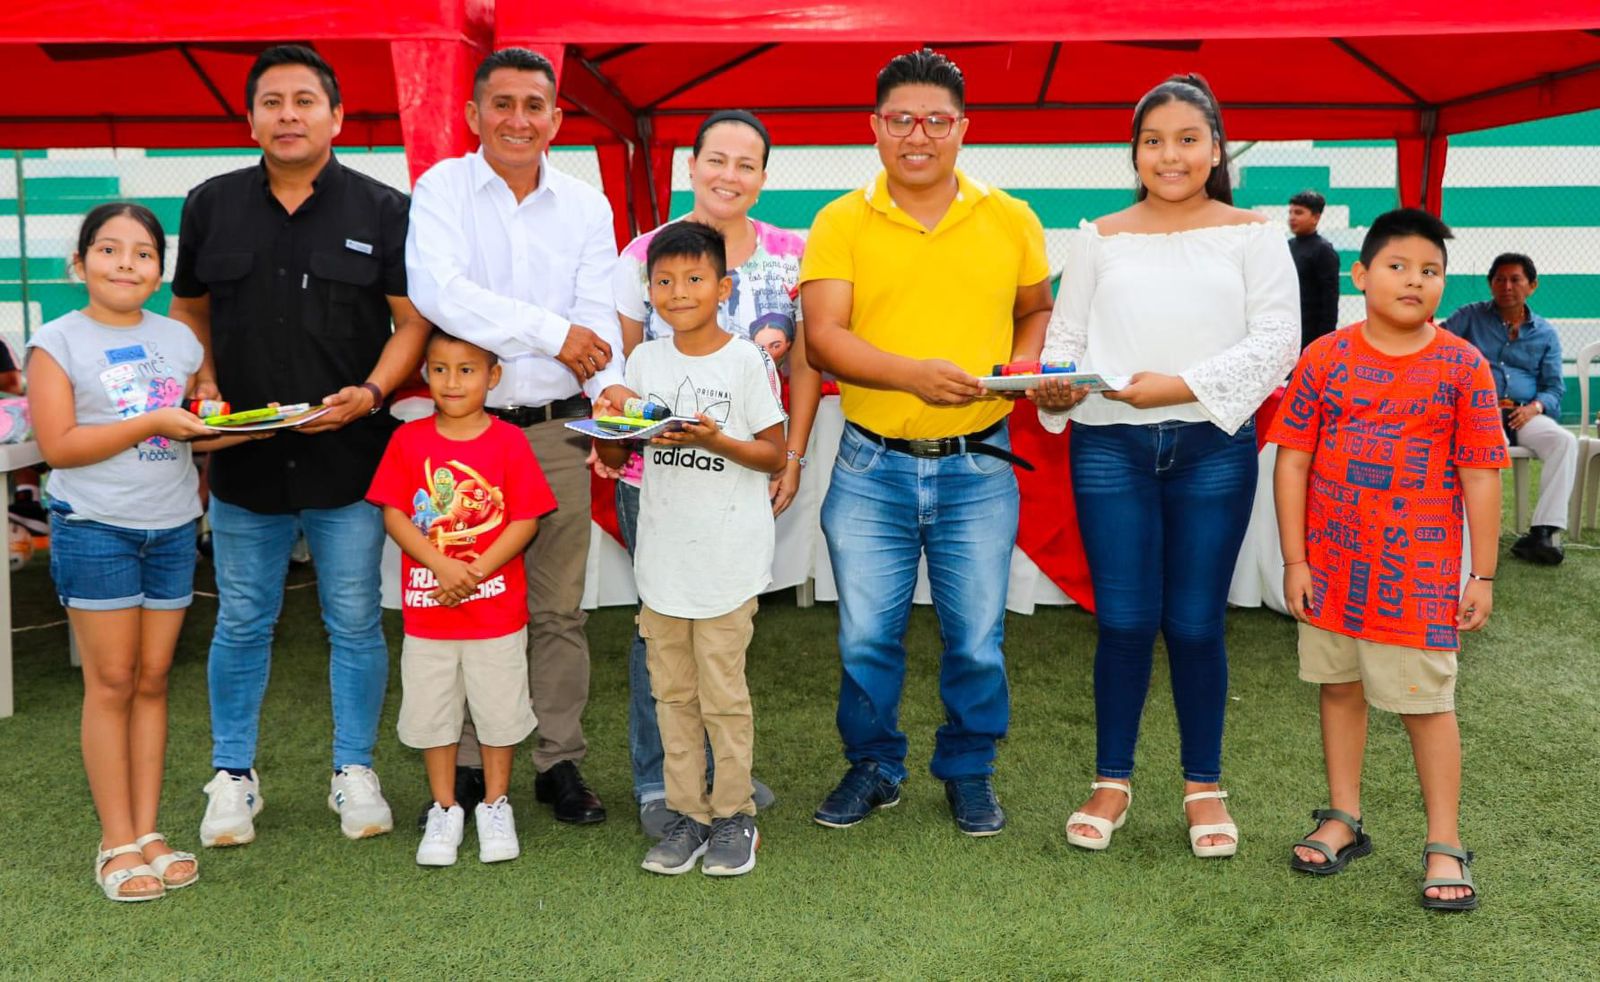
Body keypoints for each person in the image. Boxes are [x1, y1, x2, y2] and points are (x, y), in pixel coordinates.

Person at [167, 45, 430, 847]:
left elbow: (411, 323)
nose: (288, 115)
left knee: (353, 621)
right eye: (272, 102)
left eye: (305, 101)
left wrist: (372, 394)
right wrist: (203, 379)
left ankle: (354, 770)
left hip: (349, 460)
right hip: (245, 461)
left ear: (336, 117)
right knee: (243, 620)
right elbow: (190, 311)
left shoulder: (383, 209)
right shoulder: (210, 205)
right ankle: (232, 776)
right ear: (250, 118)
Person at [1033, 74, 1300, 857]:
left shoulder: (1255, 234)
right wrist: (1056, 382)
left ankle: (1203, 787)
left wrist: (1177, 387)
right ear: (1135, 153)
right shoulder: (1099, 235)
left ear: (1216, 149)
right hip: (1107, 445)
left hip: (1213, 448)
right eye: (1153, 141)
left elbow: (1278, 342)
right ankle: (1110, 782)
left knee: (1194, 623)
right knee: (1121, 622)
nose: (1170, 155)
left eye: (1187, 139)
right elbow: (1065, 339)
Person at [800, 49, 1054, 838]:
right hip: (870, 463)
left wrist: (1024, 364)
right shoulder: (841, 220)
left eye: (937, 121)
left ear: (963, 129)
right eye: (902, 119)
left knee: (976, 638)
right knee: (865, 637)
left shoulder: (1011, 217)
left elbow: (1035, 308)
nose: (919, 135)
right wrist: (913, 376)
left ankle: (969, 769)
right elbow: (823, 339)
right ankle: (874, 764)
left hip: (979, 462)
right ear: (875, 127)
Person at [406, 47, 627, 825]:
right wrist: (551, 332)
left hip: (559, 430)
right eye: (502, 104)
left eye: (535, 106)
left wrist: (608, 396)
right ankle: (468, 764)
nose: (518, 120)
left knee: (558, 611)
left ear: (557, 119)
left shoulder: (585, 206)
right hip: (465, 435)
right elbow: (443, 294)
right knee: (468, 600)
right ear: (473, 114)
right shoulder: (442, 189)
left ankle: (558, 762)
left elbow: (597, 321)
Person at [1269, 208, 1507, 912]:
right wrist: (1295, 561)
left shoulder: (1464, 366)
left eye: (1430, 270)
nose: (1414, 280)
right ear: (1361, 275)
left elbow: (1482, 473)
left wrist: (1483, 573)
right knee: (1338, 688)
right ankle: (1343, 816)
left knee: (1426, 705)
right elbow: (1293, 461)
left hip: (1418, 579)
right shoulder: (1324, 358)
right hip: (1331, 570)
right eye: (1398, 266)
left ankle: (1445, 842)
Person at [27, 204, 254, 900]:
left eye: (143, 253)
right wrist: (152, 419)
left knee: (153, 681)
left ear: (160, 272)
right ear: (80, 263)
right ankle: (116, 841)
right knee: (112, 683)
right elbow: (60, 446)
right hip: (96, 527)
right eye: (108, 249)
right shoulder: (55, 343)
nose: (126, 262)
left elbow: (196, 425)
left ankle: (150, 833)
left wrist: (259, 425)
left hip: (173, 528)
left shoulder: (180, 340)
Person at [610, 108, 817, 836]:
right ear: (690, 166)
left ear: (763, 176)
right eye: (716, 160)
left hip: (740, 476)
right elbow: (624, 370)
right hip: (654, 485)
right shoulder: (642, 252)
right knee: (660, 634)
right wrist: (614, 430)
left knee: (722, 638)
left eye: (745, 163)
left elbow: (804, 365)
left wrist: (791, 458)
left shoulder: (792, 254)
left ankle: (725, 785)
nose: (729, 174)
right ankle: (661, 784)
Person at [595, 221, 787, 876]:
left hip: (728, 562)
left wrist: (715, 440)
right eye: (664, 281)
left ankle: (734, 816)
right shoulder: (643, 363)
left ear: (723, 287)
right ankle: (687, 815)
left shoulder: (746, 360)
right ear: (649, 291)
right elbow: (619, 455)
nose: (679, 292)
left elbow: (773, 453)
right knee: (672, 697)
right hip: (663, 563)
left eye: (695, 278)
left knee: (723, 698)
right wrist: (608, 432)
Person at [367, 328, 556, 866]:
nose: (452, 381)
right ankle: (445, 807)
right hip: (429, 617)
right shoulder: (408, 440)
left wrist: (474, 571)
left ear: (493, 377)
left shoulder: (509, 441)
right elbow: (394, 514)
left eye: (467, 370)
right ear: (425, 374)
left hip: (496, 615)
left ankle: (496, 805)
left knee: (499, 713)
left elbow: (525, 519)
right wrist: (441, 565)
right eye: (440, 369)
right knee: (434, 715)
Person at [1441, 253, 1575, 565]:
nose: (1507, 286)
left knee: (1563, 442)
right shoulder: (1470, 317)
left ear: (1532, 285)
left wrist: (1536, 407)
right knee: (1492, 442)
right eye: (1500, 279)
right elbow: (1439, 344)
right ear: (1490, 284)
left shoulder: (1545, 333)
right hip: (1481, 412)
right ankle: (1477, 531)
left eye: (1515, 279)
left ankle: (1543, 533)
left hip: (1524, 413)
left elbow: (1554, 388)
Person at [1288, 190, 1342, 349]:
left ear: (1315, 218)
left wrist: (1325, 340)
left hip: (1312, 332)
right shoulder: (1288, 246)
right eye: (1290, 212)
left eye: (1298, 213)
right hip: (1291, 327)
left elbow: (1330, 299)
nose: (1292, 217)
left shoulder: (1323, 250)